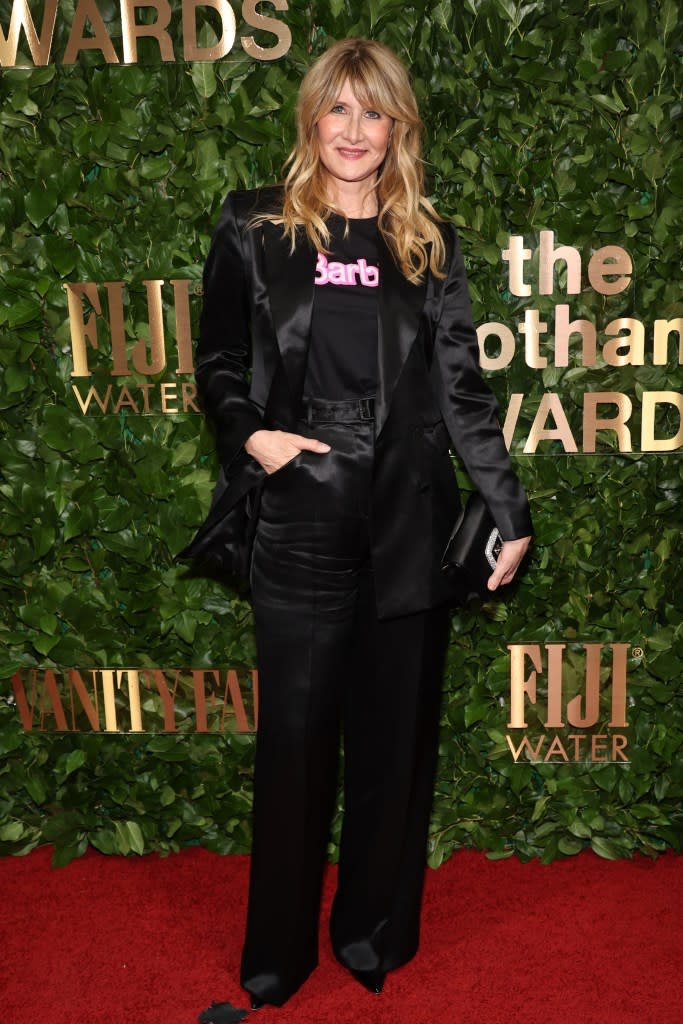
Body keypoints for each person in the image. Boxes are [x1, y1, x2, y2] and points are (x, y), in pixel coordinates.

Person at [182, 37, 532, 1009]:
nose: (352, 131)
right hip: (298, 511)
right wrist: (256, 440)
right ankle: (278, 955)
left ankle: (372, 931)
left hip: (408, 515)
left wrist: (506, 509)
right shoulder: (254, 226)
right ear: (310, 118)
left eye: (371, 112)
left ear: (396, 127)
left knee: (394, 739)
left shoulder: (429, 240)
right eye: (335, 109)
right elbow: (215, 356)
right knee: (294, 742)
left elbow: (461, 391)